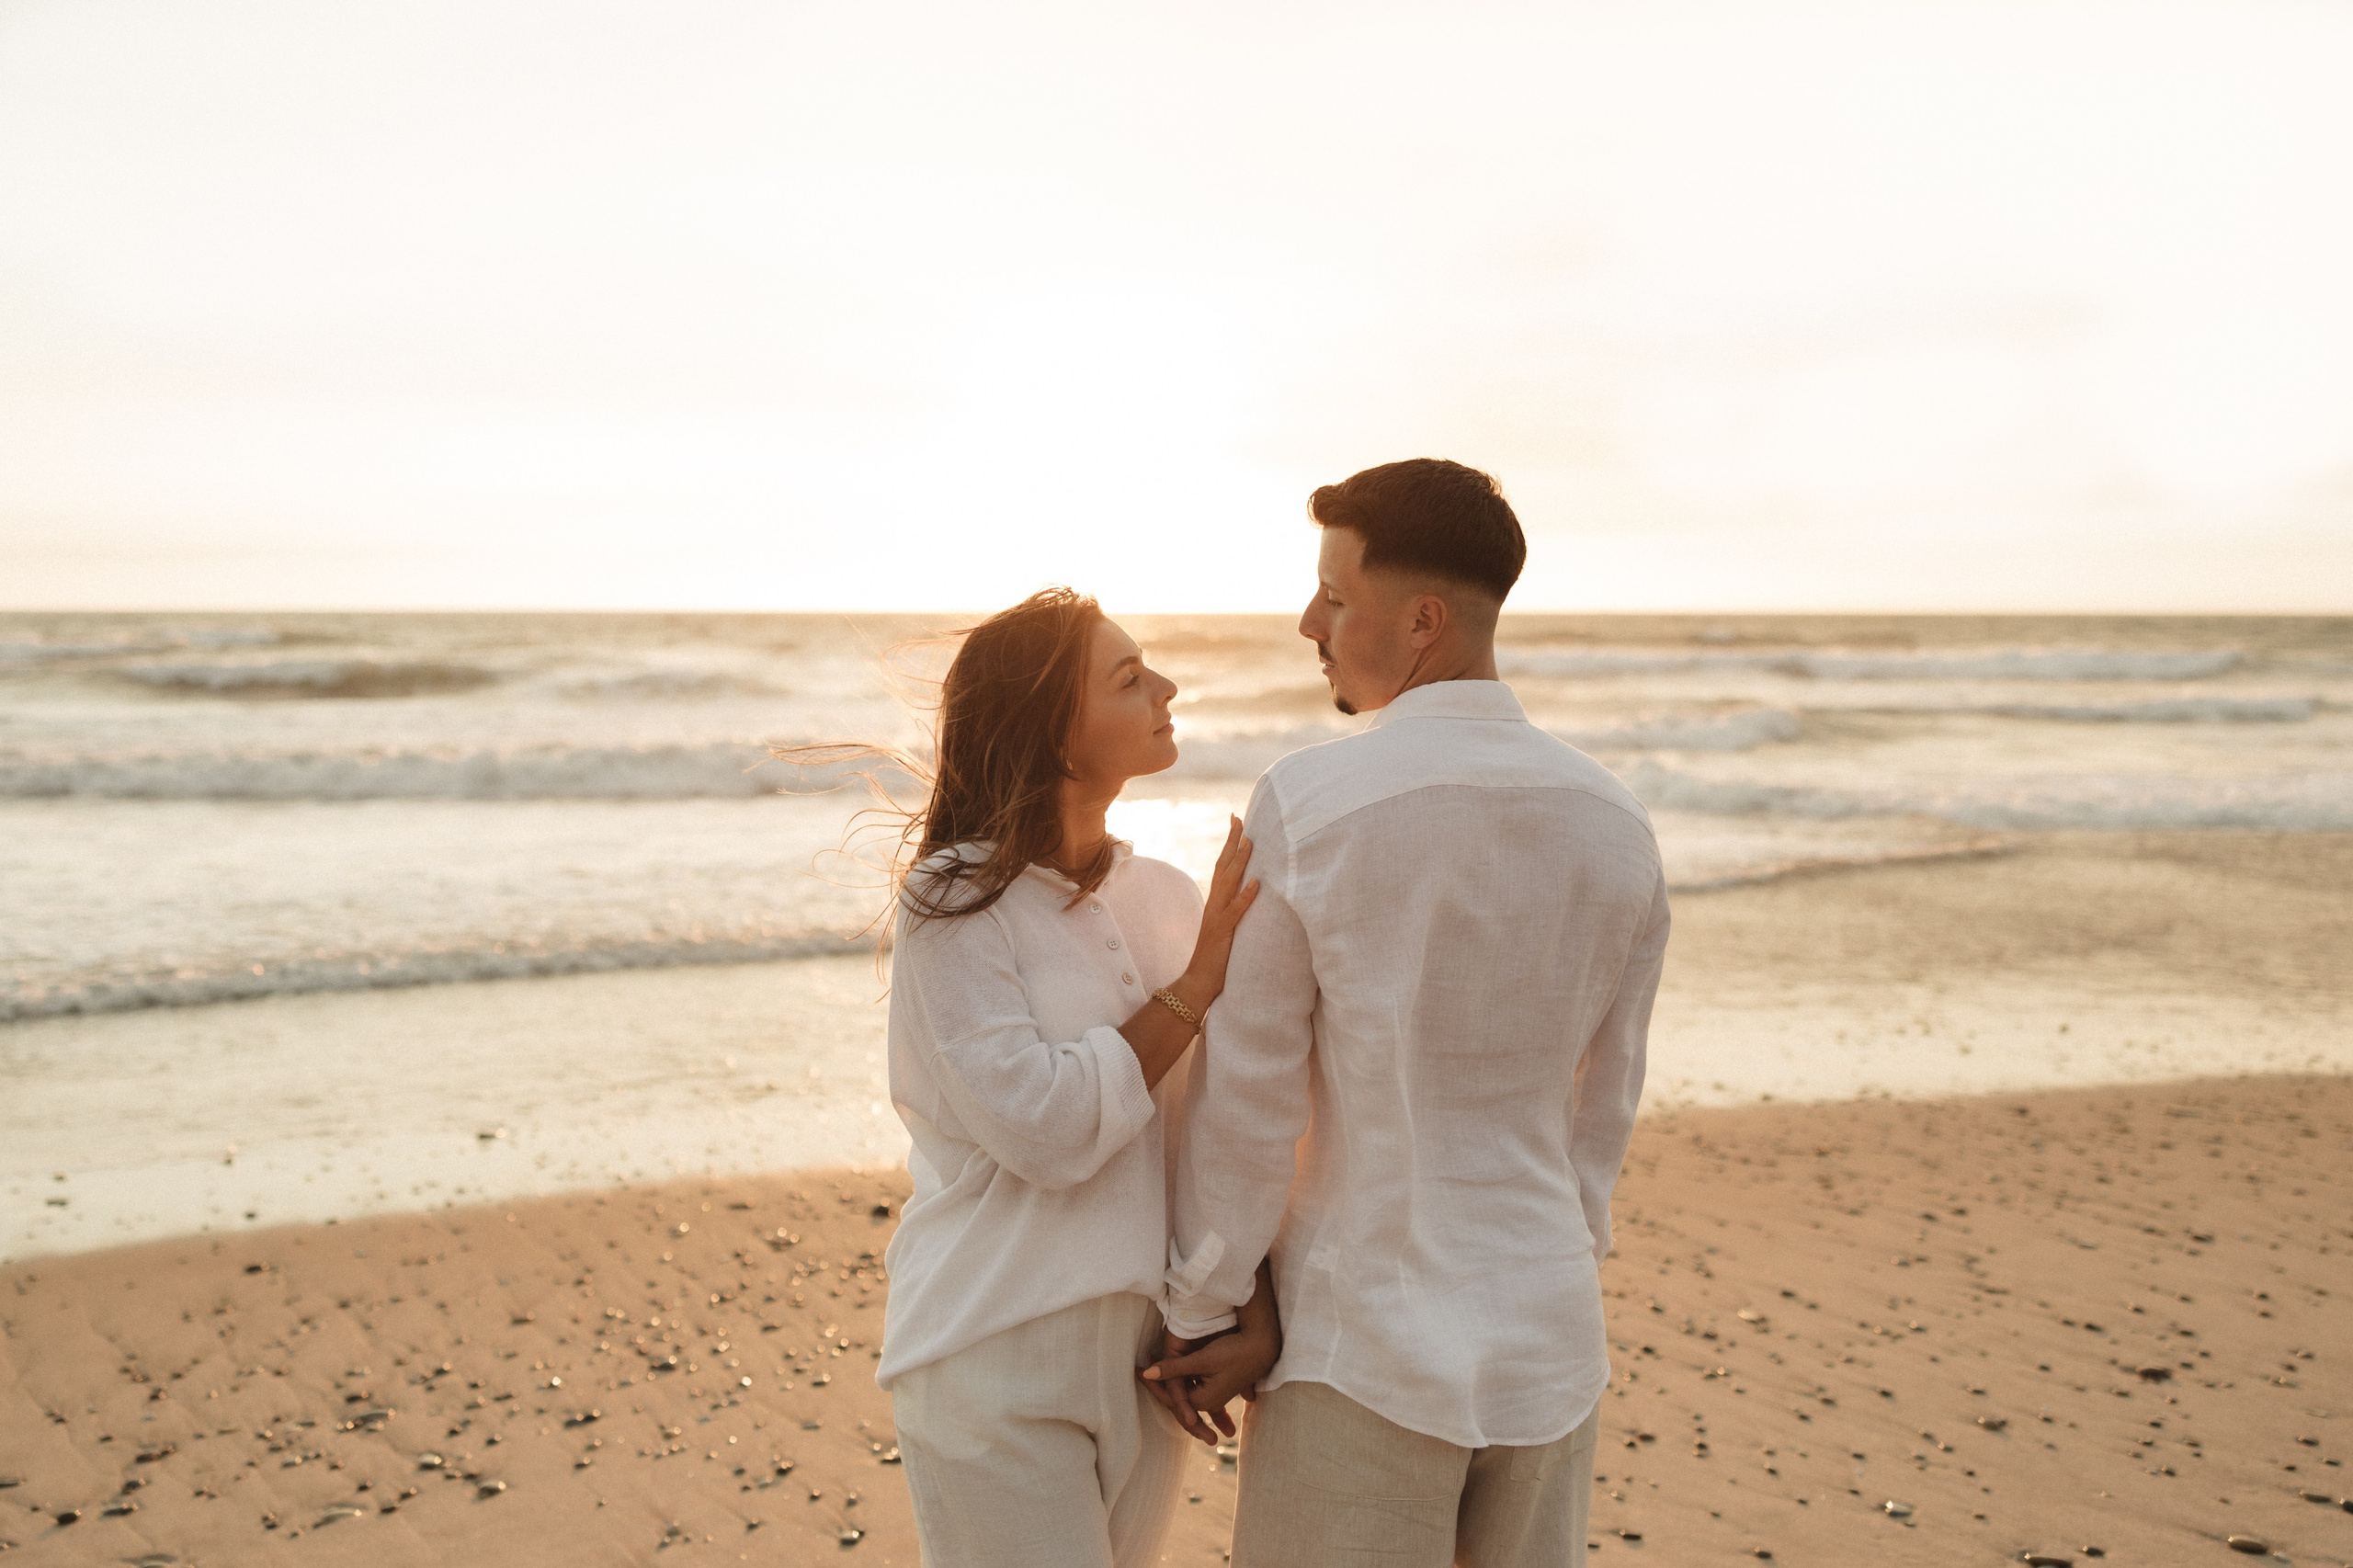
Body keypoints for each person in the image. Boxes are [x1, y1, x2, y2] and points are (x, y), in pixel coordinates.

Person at [1148, 460, 1671, 1567]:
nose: (1308, 622)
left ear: (1422, 619)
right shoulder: (1616, 821)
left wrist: (1207, 1293)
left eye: (1335, 596)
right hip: (1549, 1342)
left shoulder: (1313, 801)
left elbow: (1252, 1094)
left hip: (1364, 1346)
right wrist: (1550, 1258)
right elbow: (1604, 1102)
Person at [858, 587, 1280, 1568]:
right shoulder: (956, 899)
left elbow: (1212, 1128)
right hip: (993, 1343)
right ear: (1052, 732)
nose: (1167, 688)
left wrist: (1248, 1309)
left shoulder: (1171, 900)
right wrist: (1197, 985)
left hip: (1149, 1359)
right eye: (1129, 679)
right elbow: (1043, 1128)